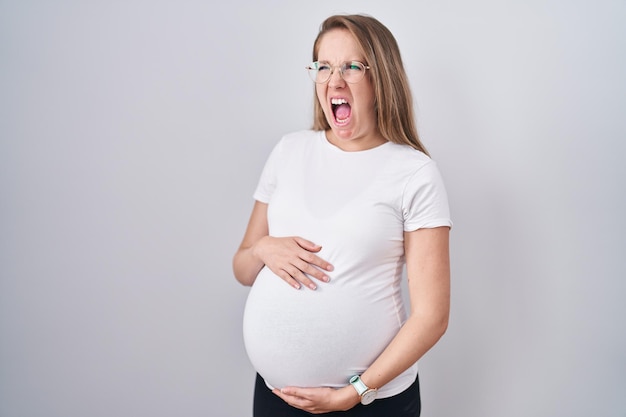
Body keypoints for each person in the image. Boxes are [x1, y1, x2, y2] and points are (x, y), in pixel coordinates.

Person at [233, 13, 452, 417]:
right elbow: (243, 268)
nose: (334, 80)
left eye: (352, 66)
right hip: (276, 397)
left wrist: (353, 393)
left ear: (380, 77)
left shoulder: (415, 173)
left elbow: (432, 316)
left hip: (369, 403)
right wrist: (263, 247)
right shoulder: (288, 151)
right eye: (323, 66)